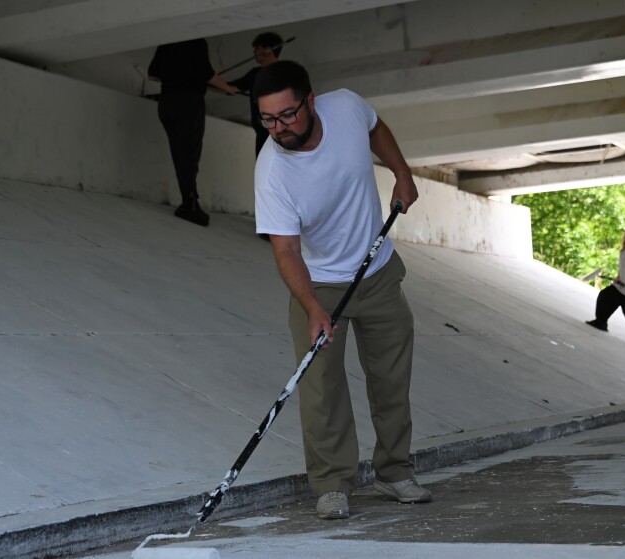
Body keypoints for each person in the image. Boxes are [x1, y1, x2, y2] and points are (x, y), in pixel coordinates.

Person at [252, 60, 430, 520]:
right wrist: (312, 306)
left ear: (311, 101)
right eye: (268, 119)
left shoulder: (347, 107)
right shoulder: (272, 172)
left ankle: (394, 472)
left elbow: (376, 128)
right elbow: (287, 251)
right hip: (318, 284)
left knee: (391, 380)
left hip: (378, 271)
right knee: (321, 389)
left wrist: (402, 172)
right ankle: (332, 484)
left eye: (287, 114)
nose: (279, 128)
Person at [148, 38, 239, 226]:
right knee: (189, 154)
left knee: (178, 152)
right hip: (189, 104)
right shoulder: (197, 42)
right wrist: (228, 88)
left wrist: (177, 75)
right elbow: (208, 75)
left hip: (166, 103)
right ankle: (189, 203)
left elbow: (152, 75)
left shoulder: (166, 43)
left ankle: (189, 200)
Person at [227, 32, 285, 157]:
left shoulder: (286, 71)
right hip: (262, 134)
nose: (254, 53)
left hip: (283, 132)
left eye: (257, 49)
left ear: (268, 49)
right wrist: (208, 80)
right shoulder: (255, 74)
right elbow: (230, 88)